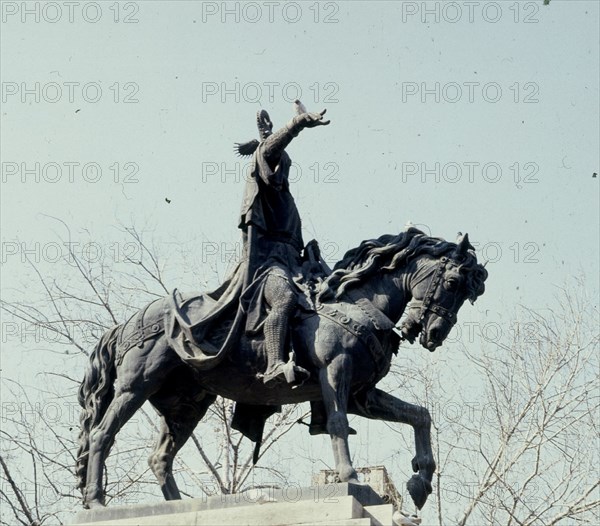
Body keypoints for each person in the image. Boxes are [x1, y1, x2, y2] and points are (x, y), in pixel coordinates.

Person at [236, 108, 330, 385]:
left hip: (294, 265)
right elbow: (269, 150)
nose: (281, 169)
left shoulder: (287, 202)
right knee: (284, 299)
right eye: (277, 163)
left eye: (284, 166)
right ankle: (275, 364)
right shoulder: (263, 174)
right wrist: (296, 123)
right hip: (268, 265)